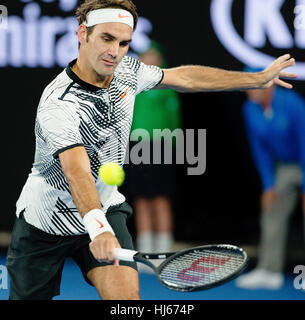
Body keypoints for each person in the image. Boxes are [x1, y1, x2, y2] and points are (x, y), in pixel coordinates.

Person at [5, 0, 297, 300]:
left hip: (105, 210)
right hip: (45, 222)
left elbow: (186, 77)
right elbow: (76, 169)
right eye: (106, 38)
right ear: (83, 34)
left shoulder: (128, 71)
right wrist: (96, 227)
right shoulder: (59, 102)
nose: (114, 52)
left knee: (127, 302)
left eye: (123, 43)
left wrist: (256, 79)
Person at [236, 67, 305, 290]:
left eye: (254, 86)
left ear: (269, 84)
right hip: (283, 167)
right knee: (271, 211)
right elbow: (260, 151)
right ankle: (269, 270)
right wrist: (268, 185)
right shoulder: (249, 109)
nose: (249, 92)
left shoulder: (292, 102)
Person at [125, 41, 182, 254]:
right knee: (141, 200)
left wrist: (173, 148)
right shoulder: (131, 87)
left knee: (160, 199)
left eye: (152, 56)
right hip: (136, 146)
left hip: (162, 146)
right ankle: (147, 252)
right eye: (144, 56)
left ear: (160, 60)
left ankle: (164, 251)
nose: (147, 60)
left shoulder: (169, 88)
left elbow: (174, 122)